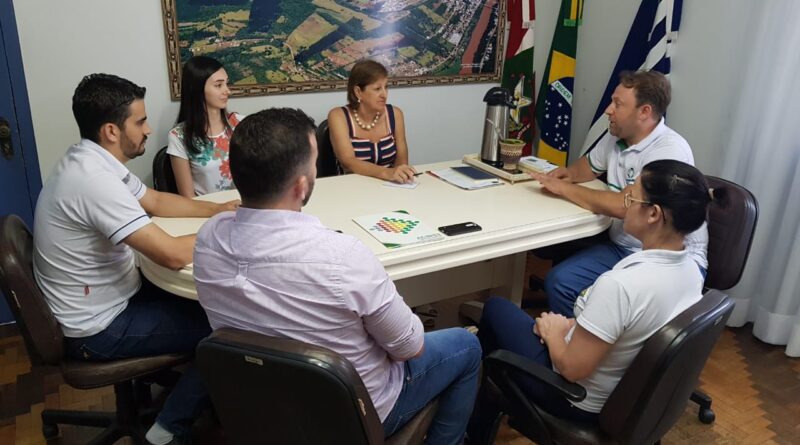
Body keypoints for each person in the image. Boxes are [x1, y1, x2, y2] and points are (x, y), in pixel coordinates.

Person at [193, 108, 482, 445]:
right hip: (355, 416)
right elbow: (410, 347)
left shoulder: (208, 240)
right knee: (467, 345)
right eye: (314, 163)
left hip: (263, 409)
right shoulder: (343, 257)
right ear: (302, 186)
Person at [32, 73, 239, 445]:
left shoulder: (91, 160)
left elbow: (156, 201)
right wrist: (238, 229)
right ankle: (167, 428)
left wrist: (215, 210)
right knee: (229, 327)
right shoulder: (93, 181)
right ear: (112, 130)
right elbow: (173, 255)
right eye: (140, 122)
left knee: (211, 302)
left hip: (108, 296)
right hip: (98, 328)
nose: (147, 130)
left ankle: (178, 397)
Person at [468, 160, 727, 442]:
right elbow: (630, 329)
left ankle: (471, 425)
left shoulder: (620, 286)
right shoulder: (690, 270)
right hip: (625, 393)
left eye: (631, 197)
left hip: (576, 399)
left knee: (495, 310)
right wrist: (572, 325)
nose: (624, 203)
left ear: (653, 214)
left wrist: (554, 334)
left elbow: (571, 368)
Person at [531, 70, 708, 317]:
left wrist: (565, 189)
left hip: (668, 257)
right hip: (624, 245)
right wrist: (567, 175)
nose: (608, 110)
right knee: (560, 282)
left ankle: (592, 347)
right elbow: (588, 166)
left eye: (618, 103)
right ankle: (578, 339)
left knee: (612, 298)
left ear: (644, 112)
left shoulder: (669, 151)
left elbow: (625, 205)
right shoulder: (619, 135)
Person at [327, 59, 417, 183]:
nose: (384, 94)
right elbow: (348, 162)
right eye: (377, 89)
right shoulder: (338, 116)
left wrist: (400, 175)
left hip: (389, 187)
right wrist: (387, 173)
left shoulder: (395, 114)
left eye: (386, 87)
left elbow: (401, 163)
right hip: (352, 189)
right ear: (358, 92)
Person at [167, 56, 244, 197]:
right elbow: (188, 198)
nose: (227, 91)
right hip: (207, 212)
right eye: (218, 85)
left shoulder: (240, 124)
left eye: (227, 84)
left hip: (244, 210)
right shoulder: (179, 136)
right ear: (197, 89)